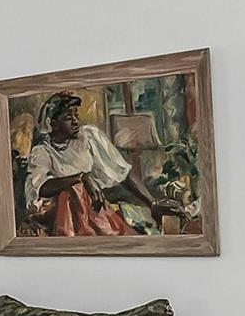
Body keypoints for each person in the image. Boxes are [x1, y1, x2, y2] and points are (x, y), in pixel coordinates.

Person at [21, 92, 182, 237]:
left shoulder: (89, 137)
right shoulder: (42, 152)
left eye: (76, 115)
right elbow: (41, 187)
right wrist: (81, 179)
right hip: (59, 216)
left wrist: (152, 203)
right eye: (68, 118)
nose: (76, 121)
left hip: (92, 210)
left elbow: (122, 173)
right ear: (53, 124)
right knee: (71, 192)